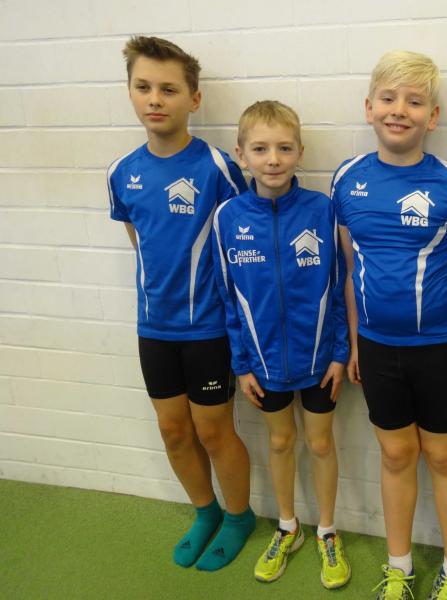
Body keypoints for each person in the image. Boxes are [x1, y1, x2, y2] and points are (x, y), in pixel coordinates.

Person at [332, 50, 447, 600]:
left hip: (442, 351)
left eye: (414, 102)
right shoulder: (347, 179)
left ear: (432, 116)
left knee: (443, 456)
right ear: (369, 108)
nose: (399, 110)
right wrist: (354, 344)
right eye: (389, 99)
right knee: (396, 455)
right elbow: (350, 271)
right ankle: (399, 567)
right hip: (377, 348)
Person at [106, 36, 254, 571]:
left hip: (209, 328)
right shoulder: (122, 171)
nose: (155, 99)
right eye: (143, 87)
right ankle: (205, 511)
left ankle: (238, 517)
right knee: (173, 430)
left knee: (213, 430)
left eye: (168, 89)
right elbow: (140, 242)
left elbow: (242, 242)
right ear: (129, 92)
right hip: (154, 328)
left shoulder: (217, 167)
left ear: (194, 98)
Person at [211, 100, 351, 589]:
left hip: (320, 361)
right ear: (241, 155)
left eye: (284, 148)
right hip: (263, 364)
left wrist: (340, 353)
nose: (273, 159)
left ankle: (327, 531)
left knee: (320, 442)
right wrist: (241, 364)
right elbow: (228, 297)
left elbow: (340, 285)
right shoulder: (227, 218)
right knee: (279, 441)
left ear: (300, 152)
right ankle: (288, 527)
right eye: (260, 149)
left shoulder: (322, 211)